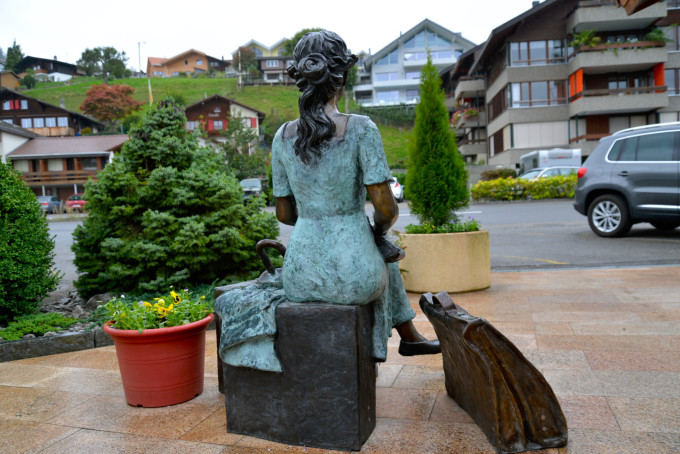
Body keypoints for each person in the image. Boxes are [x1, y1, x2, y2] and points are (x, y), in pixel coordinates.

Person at [272, 30, 439, 361]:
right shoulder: (361, 128)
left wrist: (315, 217)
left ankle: (410, 337)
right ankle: (408, 337)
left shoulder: (282, 136)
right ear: (341, 78)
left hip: (299, 274)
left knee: (374, 250)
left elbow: (284, 214)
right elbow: (387, 209)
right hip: (354, 275)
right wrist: (374, 231)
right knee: (375, 248)